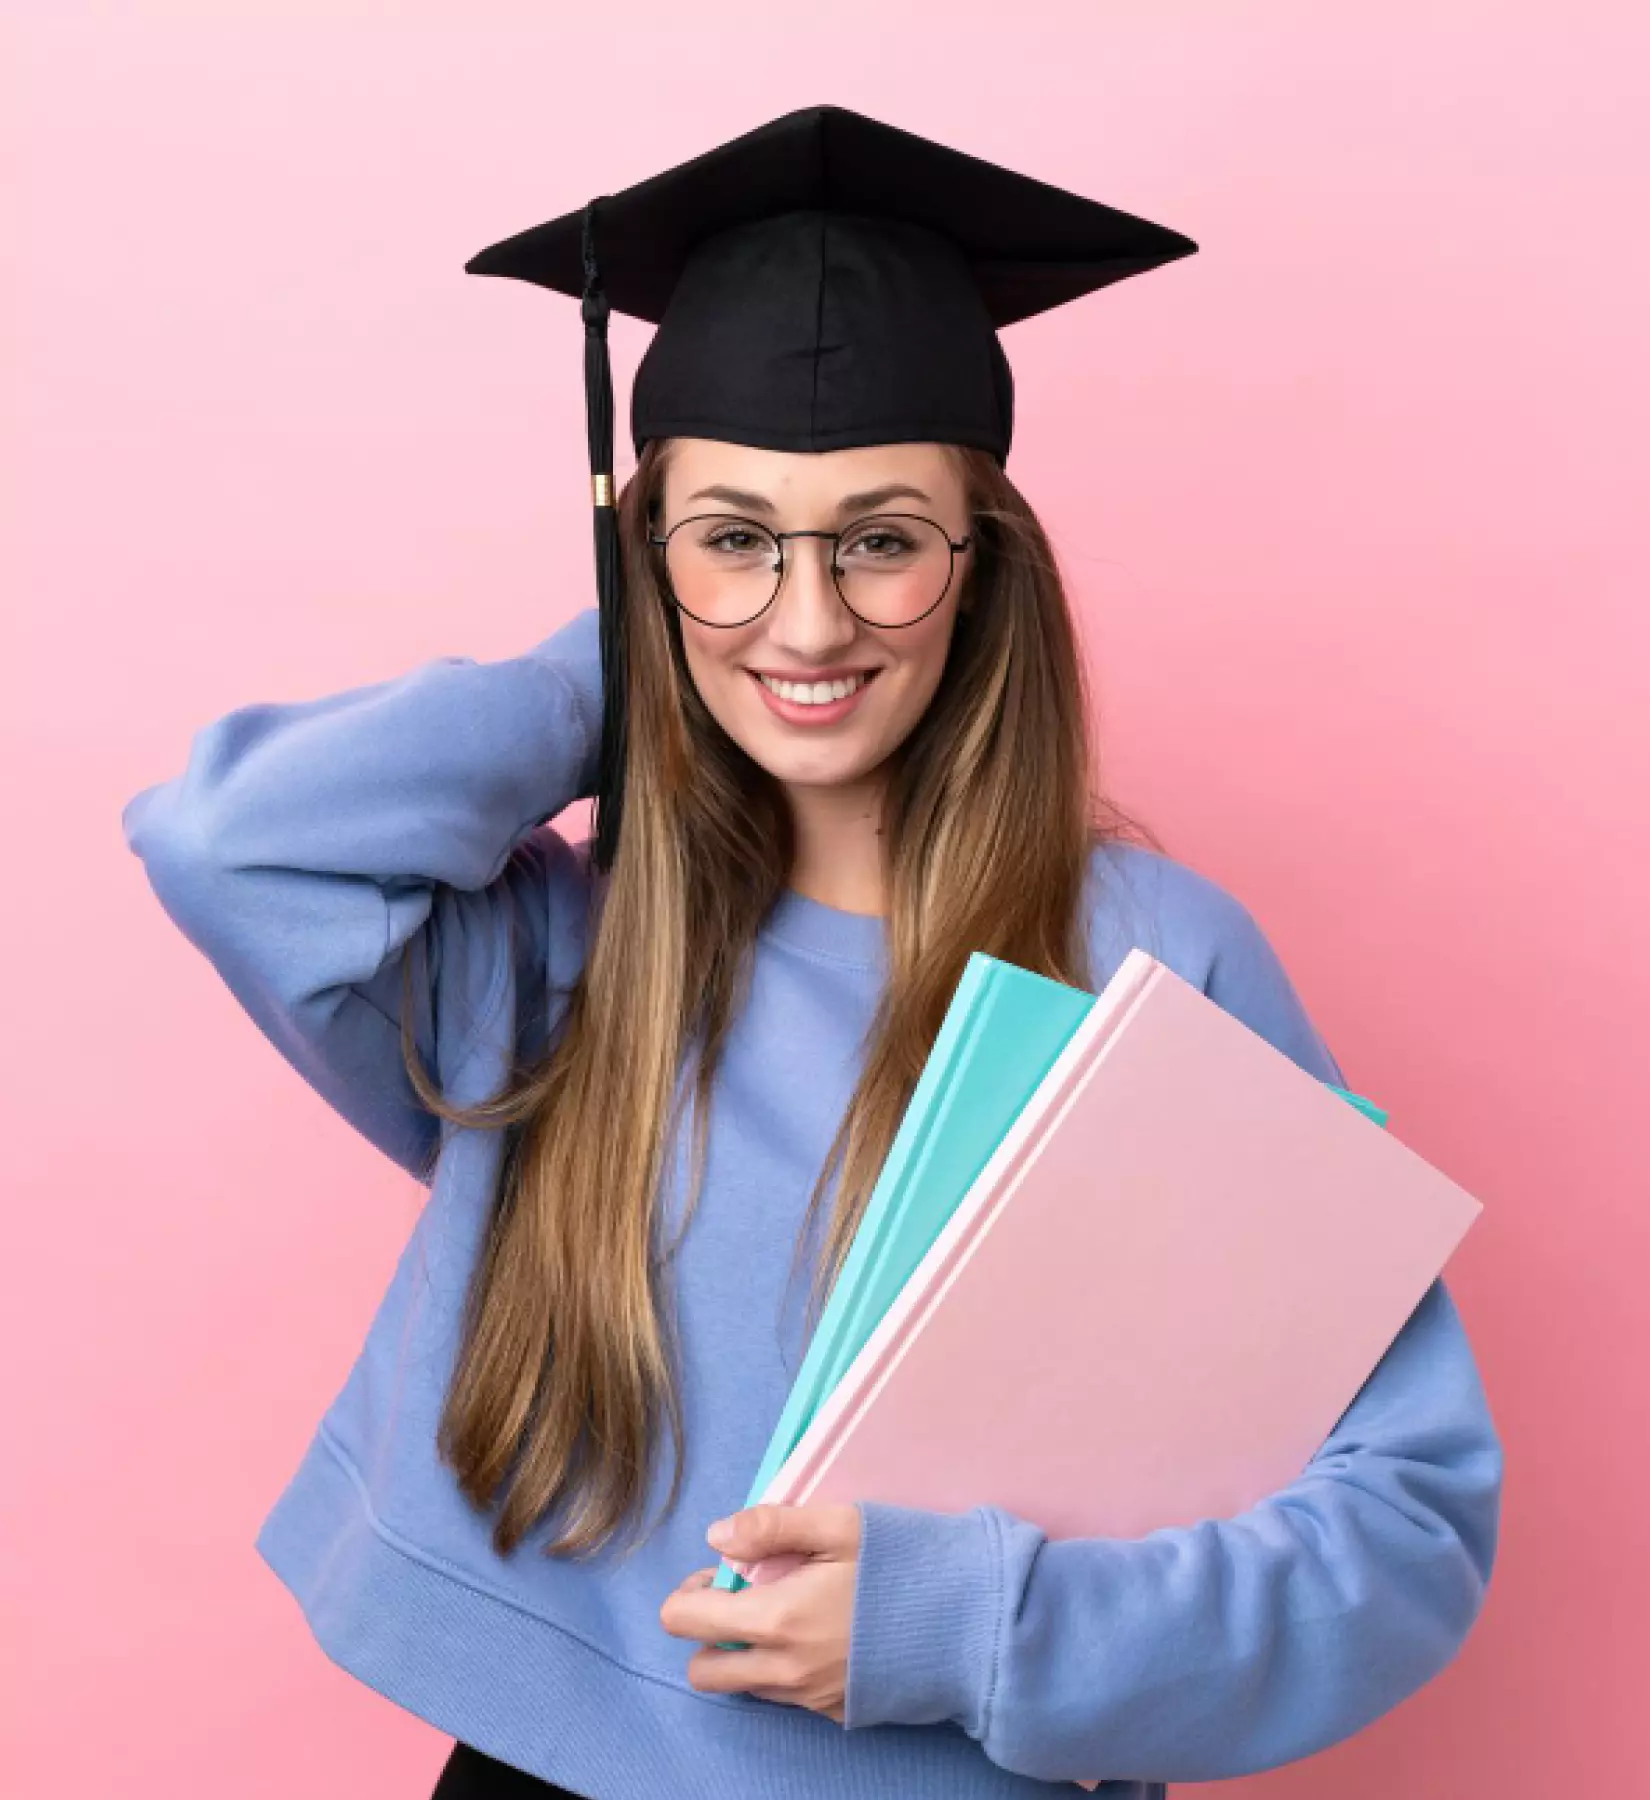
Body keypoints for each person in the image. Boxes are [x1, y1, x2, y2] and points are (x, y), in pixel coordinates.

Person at [122, 105, 1503, 1800]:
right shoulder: (551, 956)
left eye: (878, 538)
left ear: (977, 561)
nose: (806, 620)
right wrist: (617, 666)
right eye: (730, 537)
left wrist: (980, 1628)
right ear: (647, 555)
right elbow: (226, 840)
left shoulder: (1153, 962)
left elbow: (1406, 1517)